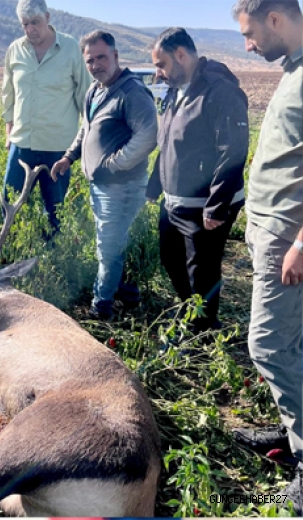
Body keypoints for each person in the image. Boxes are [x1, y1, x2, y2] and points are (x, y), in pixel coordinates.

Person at [229, 0, 303, 511]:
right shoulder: (293, 70)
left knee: (268, 346)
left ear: (275, 19)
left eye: (250, 33)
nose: (248, 44)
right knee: (293, 342)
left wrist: (301, 242)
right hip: (273, 231)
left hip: (289, 238)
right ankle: (291, 427)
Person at [145, 28, 249, 334]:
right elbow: (168, 145)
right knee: (170, 259)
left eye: (161, 64)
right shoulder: (175, 93)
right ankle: (192, 312)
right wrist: (154, 188)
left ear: (180, 55)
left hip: (206, 205)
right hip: (174, 201)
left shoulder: (220, 91)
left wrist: (216, 207)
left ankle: (203, 331)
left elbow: (233, 150)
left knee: (201, 273)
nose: (158, 73)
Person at [50, 31, 157, 320]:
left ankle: (101, 308)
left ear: (115, 56)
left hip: (122, 187)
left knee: (108, 248)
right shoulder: (95, 90)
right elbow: (86, 129)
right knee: (116, 243)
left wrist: (113, 164)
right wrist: (69, 157)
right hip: (102, 186)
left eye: (101, 57)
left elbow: (148, 136)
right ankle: (127, 294)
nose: (96, 64)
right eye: (90, 60)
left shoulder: (132, 92)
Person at [0, 0, 89, 235]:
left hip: (57, 147)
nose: (30, 29)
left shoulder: (70, 48)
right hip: (22, 143)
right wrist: (8, 131)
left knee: (55, 214)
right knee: (9, 206)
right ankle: (10, 259)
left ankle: (52, 264)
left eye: (35, 22)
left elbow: (85, 97)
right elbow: (8, 94)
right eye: (25, 24)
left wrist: (88, 139)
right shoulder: (15, 50)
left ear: (48, 17)